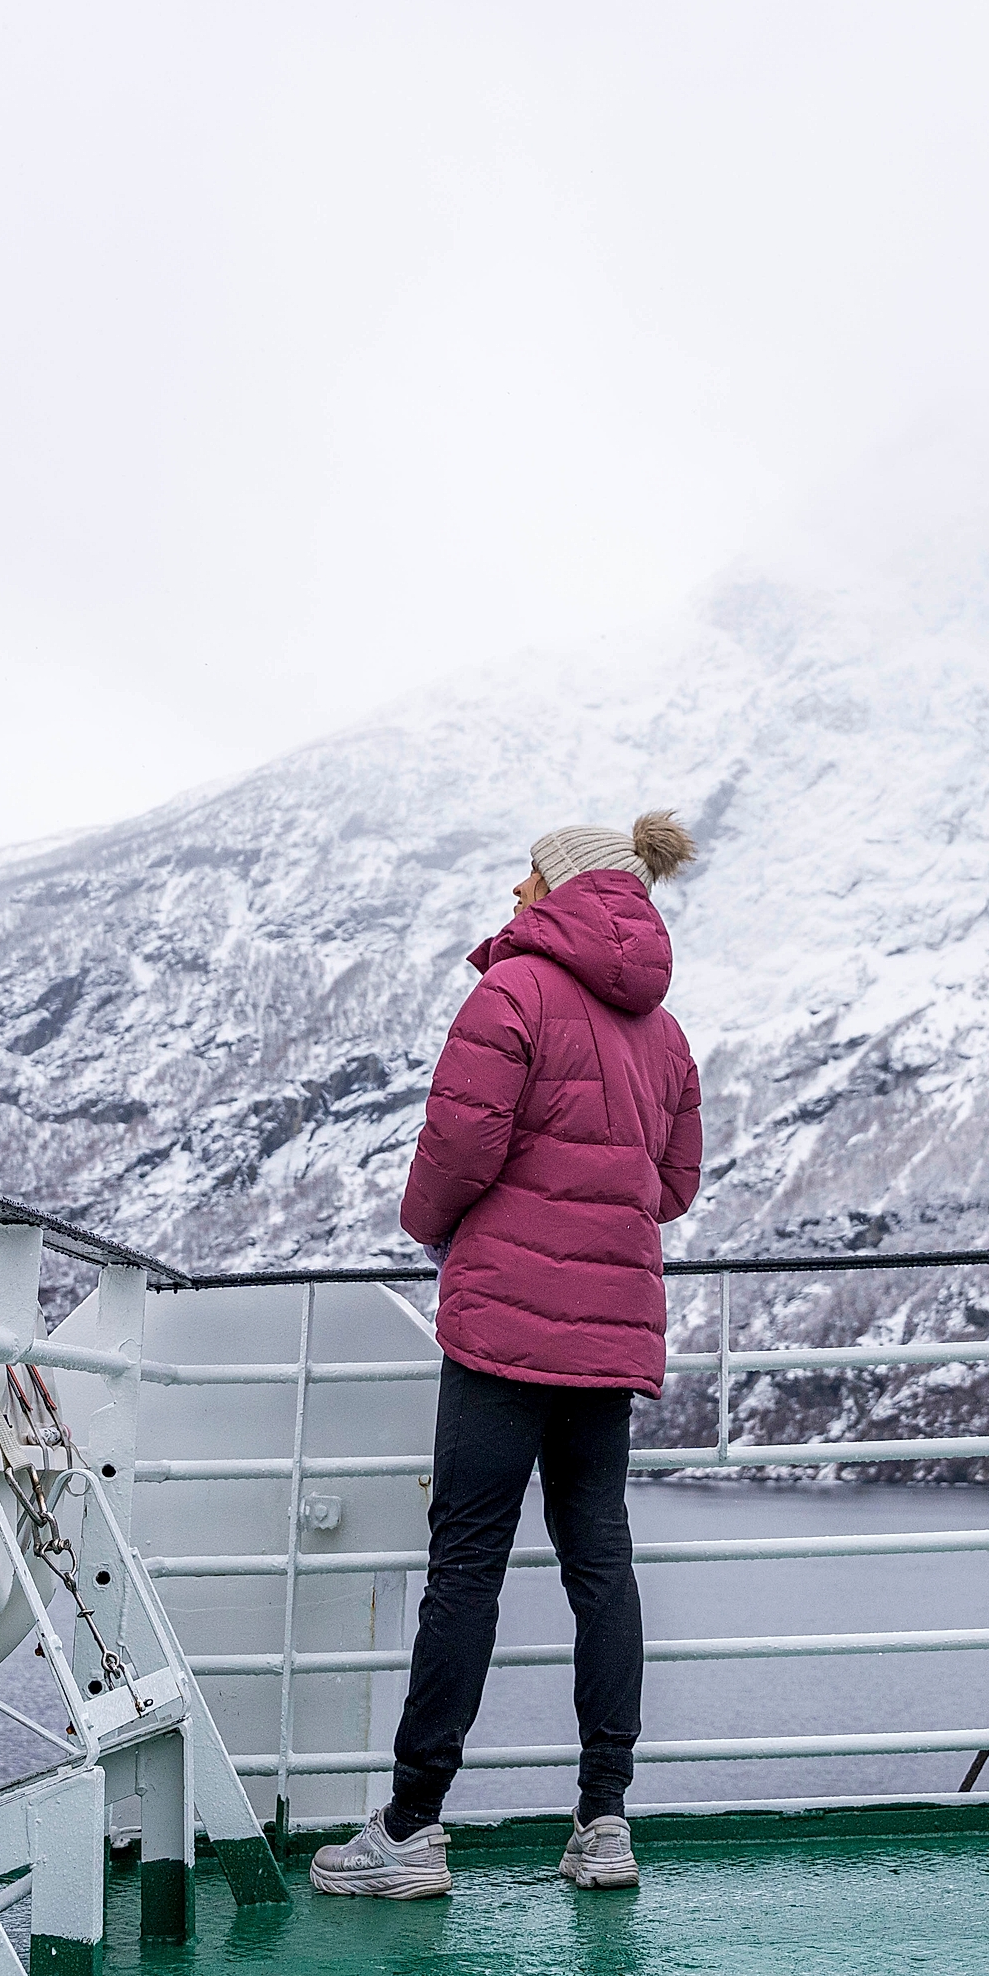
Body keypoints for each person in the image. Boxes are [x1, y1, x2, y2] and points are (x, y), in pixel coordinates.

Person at [309, 812, 705, 1900]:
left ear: (563, 890)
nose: (514, 890)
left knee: (467, 1569)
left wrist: (429, 1223)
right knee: (601, 1567)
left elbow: (458, 1151)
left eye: (527, 876)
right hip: (610, 1334)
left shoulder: (511, 992)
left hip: (502, 1328)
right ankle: (605, 1820)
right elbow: (672, 1187)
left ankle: (412, 1827)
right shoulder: (664, 1033)